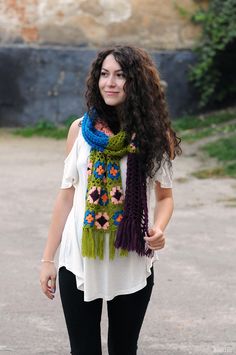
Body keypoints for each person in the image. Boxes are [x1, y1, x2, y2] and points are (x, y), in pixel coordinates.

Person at [39, 45, 181, 355]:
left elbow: (165, 197)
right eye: (105, 74)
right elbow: (66, 196)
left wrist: (158, 229)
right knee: (84, 350)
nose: (110, 83)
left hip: (130, 259)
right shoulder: (79, 131)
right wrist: (48, 259)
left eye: (120, 75)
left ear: (137, 82)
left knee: (123, 348)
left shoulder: (155, 135)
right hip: (78, 260)